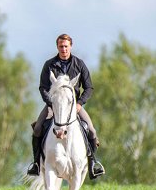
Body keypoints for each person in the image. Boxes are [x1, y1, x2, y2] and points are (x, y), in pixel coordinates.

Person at [27, 33, 105, 179]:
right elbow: (43, 87)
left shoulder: (79, 64)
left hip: (74, 105)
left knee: (92, 131)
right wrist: (51, 104)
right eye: (61, 46)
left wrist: (80, 103)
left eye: (66, 46)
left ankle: (93, 163)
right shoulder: (49, 65)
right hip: (53, 105)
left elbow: (89, 88)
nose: (63, 49)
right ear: (57, 47)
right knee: (37, 128)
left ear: (71, 46)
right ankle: (36, 163)